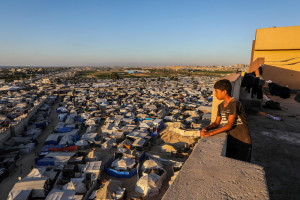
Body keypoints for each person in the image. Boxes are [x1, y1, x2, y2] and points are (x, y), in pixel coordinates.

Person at [200, 79, 252, 162]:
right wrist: (206, 128)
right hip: (231, 140)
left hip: (242, 141)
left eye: (216, 91)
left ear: (224, 92)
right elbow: (216, 123)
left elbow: (229, 125)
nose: (215, 94)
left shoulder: (234, 103)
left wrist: (210, 133)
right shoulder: (220, 106)